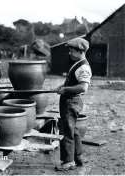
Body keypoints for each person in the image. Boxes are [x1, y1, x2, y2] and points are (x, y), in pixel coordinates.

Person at [55, 37, 92, 171]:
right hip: (70, 101)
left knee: (67, 130)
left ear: (80, 51)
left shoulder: (83, 67)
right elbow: (74, 82)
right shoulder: (78, 64)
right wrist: (62, 86)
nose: (69, 53)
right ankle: (77, 157)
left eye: (72, 51)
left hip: (71, 102)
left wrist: (66, 90)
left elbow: (83, 87)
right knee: (74, 130)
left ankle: (68, 161)